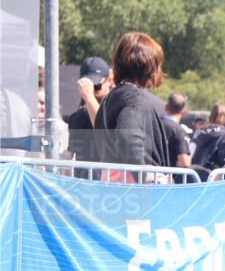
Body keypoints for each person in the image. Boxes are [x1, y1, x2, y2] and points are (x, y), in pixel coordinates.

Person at [93, 32, 170, 169]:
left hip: (114, 183)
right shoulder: (133, 98)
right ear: (150, 67)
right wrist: (146, 175)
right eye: (157, 64)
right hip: (137, 187)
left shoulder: (110, 98)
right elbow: (129, 139)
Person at [67, 56, 113, 165]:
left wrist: (89, 97)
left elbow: (106, 134)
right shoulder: (76, 118)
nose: (91, 90)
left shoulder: (115, 110)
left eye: (97, 86)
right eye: (89, 85)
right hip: (82, 180)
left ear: (109, 81)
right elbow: (70, 156)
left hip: (106, 180)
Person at [162, 92, 192, 170]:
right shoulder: (178, 130)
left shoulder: (154, 123)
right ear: (184, 112)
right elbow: (185, 162)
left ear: (166, 107)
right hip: (167, 176)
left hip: (147, 174)